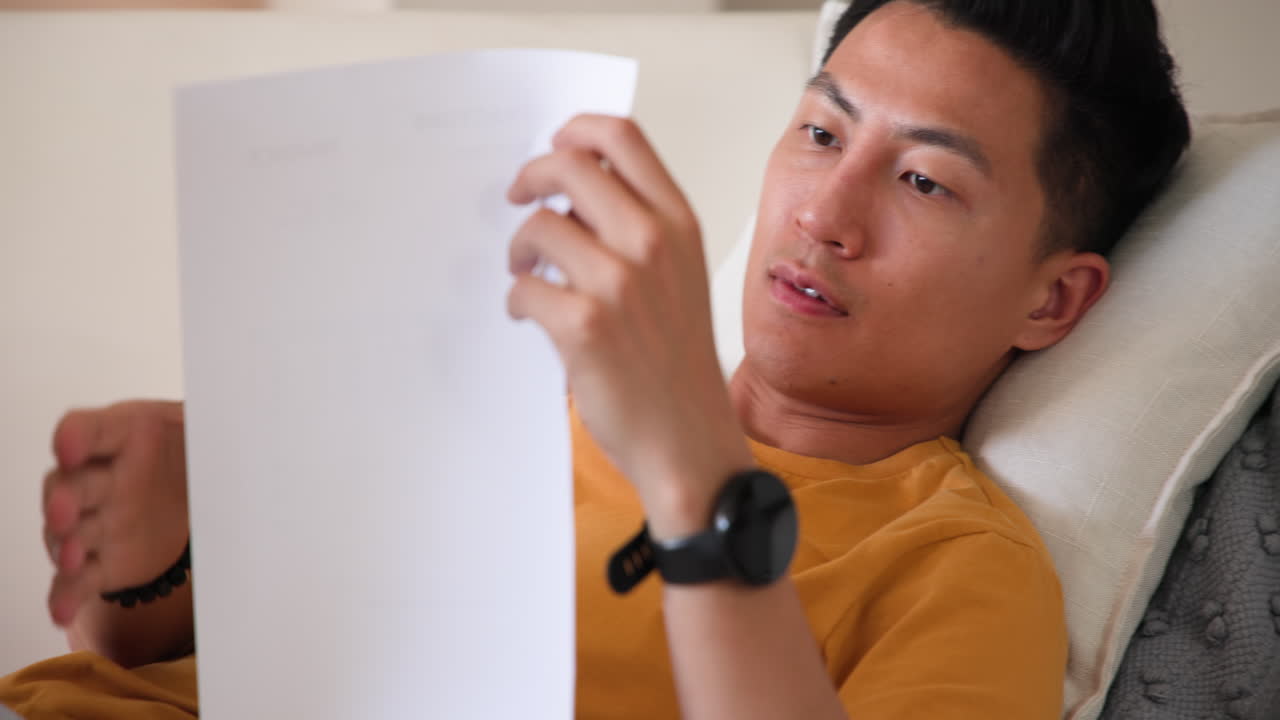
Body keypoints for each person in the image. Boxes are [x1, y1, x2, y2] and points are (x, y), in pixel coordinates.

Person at [1, 0, 1190, 718]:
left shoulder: (952, 565)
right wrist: (161, 545)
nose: (826, 212)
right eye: (821, 131)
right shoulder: (523, 376)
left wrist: (690, 466)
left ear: (1051, 300)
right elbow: (142, 656)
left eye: (923, 180)